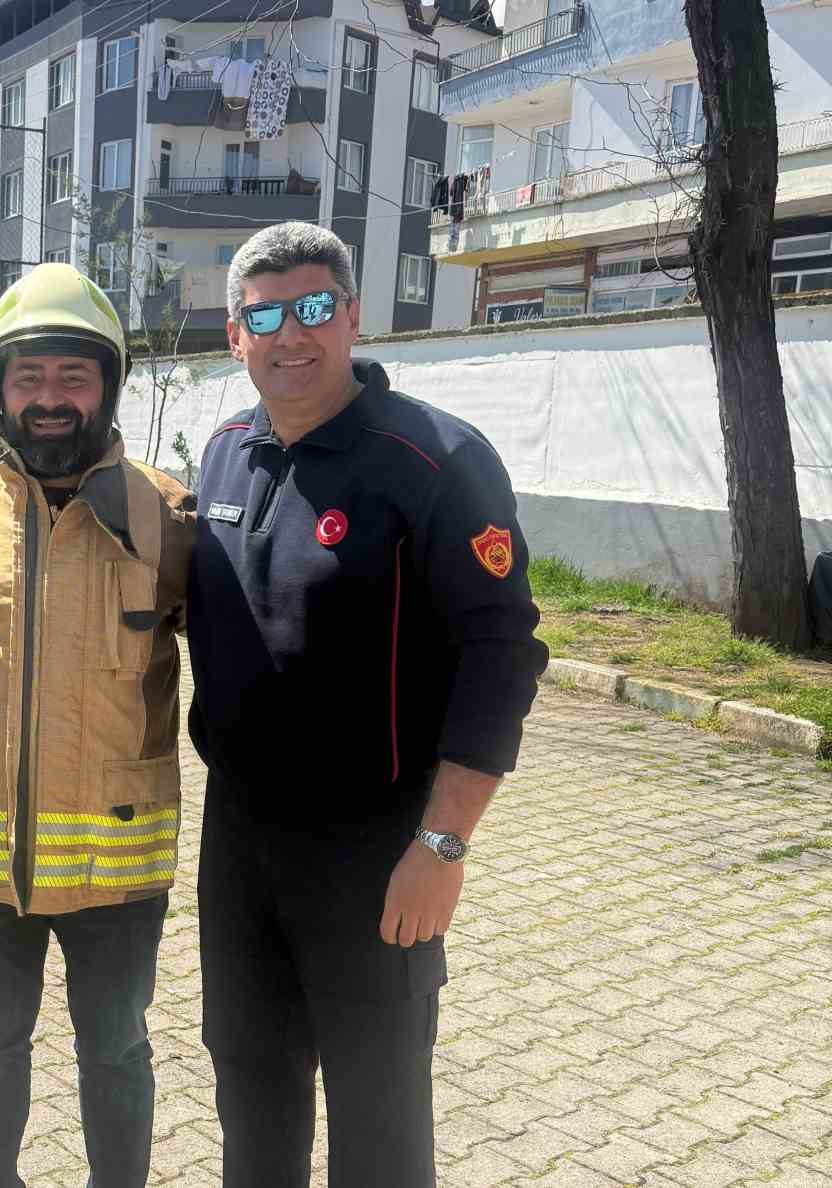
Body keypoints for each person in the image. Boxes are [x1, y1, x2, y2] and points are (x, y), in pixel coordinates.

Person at [188, 221, 549, 1186]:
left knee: (380, 1123)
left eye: (312, 309)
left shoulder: (434, 459)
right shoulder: (222, 455)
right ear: (236, 336)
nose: (289, 336)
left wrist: (443, 847)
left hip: (378, 850)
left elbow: (501, 653)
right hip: (239, 846)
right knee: (250, 1101)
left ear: (351, 316)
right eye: (263, 316)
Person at [0, 263, 196, 1188]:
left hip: (120, 850)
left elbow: (254, 657)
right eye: (27, 378)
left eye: (74, 376)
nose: (50, 399)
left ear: (107, 385)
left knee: (117, 1046)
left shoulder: (170, 514)